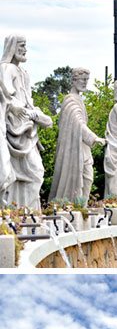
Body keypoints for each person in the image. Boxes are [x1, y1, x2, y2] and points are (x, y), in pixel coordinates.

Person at [0, 35, 53, 208]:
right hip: (14, 130)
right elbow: (6, 96)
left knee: (37, 173)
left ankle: (26, 214)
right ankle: (21, 213)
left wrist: (37, 114)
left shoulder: (24, 73)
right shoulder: (6, 68)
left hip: (27, 132)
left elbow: (28, 101)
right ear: (12, 47)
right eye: (21, 45)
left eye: (25, 46)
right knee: (34, 172)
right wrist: (16, 107)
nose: (25, 49)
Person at [49, 67, 105, 205]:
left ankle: (81, 206)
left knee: (88, 177)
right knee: (83, 177)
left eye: (87, 80)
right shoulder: (70, 100)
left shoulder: (79, 99)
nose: (85, 83)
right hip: (74, 148)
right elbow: (78, 123)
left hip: (82, 147)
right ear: (73, 81)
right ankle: (74, 206)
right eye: (82, 79)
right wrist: (94, 137)